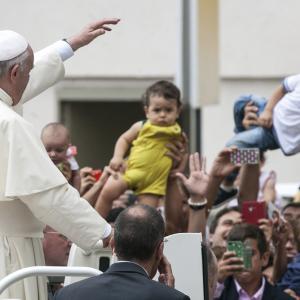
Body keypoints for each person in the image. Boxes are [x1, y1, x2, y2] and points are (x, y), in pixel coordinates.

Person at [0, 18, 119, 300]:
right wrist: (106, 234)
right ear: (15, 72)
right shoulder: (9, 124)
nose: (29, 81)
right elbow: (50, 197)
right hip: (8, 250)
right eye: (26, 73)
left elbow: (18, 83)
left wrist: (70, 44)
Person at [54, 204, 190, 300]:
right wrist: (167, 293)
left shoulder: (66, 295)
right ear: (160, 251)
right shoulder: (172, 297)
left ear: (113, 244)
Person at [95, 80, 183, 217]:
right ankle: (96, 226)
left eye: (168, 110)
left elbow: (184, 153)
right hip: (130, 170)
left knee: (145, 216)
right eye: (157, 110)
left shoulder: (178, 134)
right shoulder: (142, 126)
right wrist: (117, 157)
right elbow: (124, 139)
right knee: (107, 192)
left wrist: (178, 170)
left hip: (154, 183)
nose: (163, 115)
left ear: (178, 111)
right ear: (147, 111)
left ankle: (140, 237)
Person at [227, 74, 300, 156]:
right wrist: (268, 111)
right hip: (269, 110)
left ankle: (247, 153)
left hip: (277, 136)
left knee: (231, 151)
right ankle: (241, 135)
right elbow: (282, 88)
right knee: (241, 101)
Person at [215, 223, 293, 300]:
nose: (243, 260)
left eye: (249, 253)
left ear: (264, 258)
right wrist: (217, 280)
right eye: (237, 254)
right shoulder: (218, 293)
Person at [41, 122, 81, 191]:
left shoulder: (69, 157)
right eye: (48, 150)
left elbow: (76, 176)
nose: (53, 154)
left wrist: (76, 193)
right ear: (40, 145)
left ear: (68, 148)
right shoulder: (38, 157)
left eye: (59, 150)